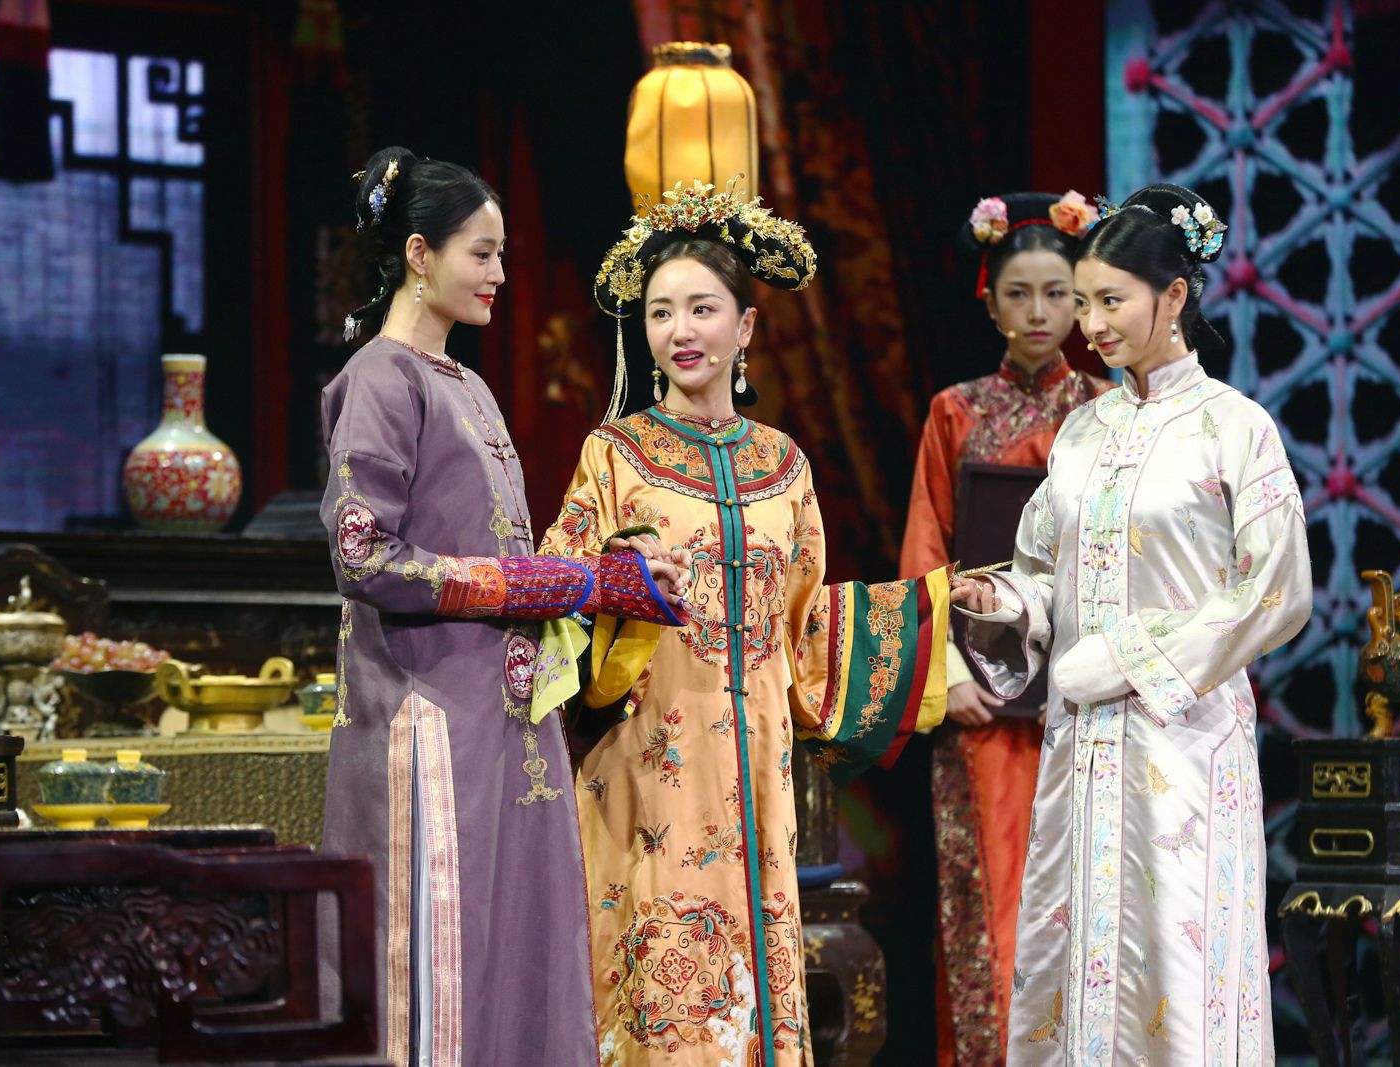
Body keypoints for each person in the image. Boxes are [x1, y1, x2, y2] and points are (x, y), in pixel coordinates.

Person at [539, 177, 951, 1066]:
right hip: (644, 762)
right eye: (660, 313)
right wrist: (622, 580)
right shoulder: (615, 455)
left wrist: (935, 611)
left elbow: (805, 628)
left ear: (746, 326)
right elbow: (557, 591)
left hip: (758, 770)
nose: (679, 330)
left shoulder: (783, 465)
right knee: (657, 993)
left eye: (702, 309)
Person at [320, 146, 686, 1067]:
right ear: (419, 253)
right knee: (446, 950)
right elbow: (365, 555)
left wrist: (607, 577)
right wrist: (560, 583)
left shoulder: (469, 386)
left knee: (515, 943)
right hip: (427, 713)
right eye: (480, 253)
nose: (499, 274)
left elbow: (507, 552)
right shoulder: (382, 378)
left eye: (503, 254)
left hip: (502, 715)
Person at [949, 183, 1312, 1066]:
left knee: (1179, 965)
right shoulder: (1083, 432)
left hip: (1182, 744)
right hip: (1080, 746)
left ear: (1174, 295)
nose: (1091, 325)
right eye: (1085, 303)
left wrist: (1129, 658)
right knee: (1076, 953)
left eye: (1111, 301)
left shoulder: (1234, 428)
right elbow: (1042, 569)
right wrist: (1010, 604)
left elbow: (1278, 589)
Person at [900, 190, 1110, 1064]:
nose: (1038, 313)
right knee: (990, 900)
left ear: (1083, 301)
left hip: (1084, 699)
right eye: (1019, 294)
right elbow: (926, 549)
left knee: (1085, 897)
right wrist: (945, 674)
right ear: (988, 300)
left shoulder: (1107, 410)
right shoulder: (955, 410)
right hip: (983, 706)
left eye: (1057, 294)